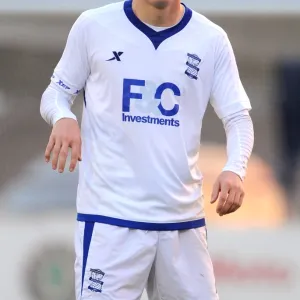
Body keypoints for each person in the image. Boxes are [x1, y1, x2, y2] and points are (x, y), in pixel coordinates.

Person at [40, 0, 254, 299]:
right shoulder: (94, 25)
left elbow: (237, 118)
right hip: (111, 223)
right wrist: (63, 117)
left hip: (182, 224)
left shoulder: (210, 39)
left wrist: (235, 168)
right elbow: (56, 94)